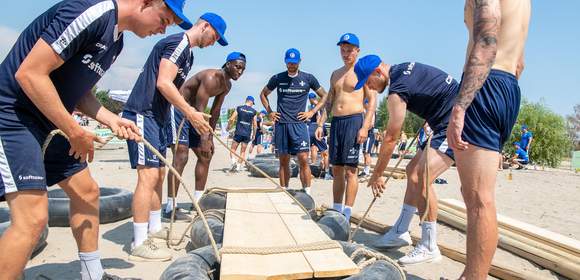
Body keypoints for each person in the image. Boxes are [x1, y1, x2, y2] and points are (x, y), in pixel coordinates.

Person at [0, 0, 191, 278]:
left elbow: (78, 92)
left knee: (87, 192)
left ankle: (92, 275)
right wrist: (75, 131)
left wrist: (111, 120)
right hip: (14, 114)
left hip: (51, 118)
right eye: (164, 19)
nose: (162, 31)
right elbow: (29, 73)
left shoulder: (117, 43)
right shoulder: (92, 13)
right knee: (33, 219)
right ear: (147, 3)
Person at [122, 12, 229, 262]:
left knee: (159, 173)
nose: (214, 42)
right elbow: (163, 83)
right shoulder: (178, 43)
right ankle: (139, 241)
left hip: (158, 116)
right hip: (143, 111)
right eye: (215, 36)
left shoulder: (188, 53)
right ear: (205, 26)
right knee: (147, 176)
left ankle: (156, 226)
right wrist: (190, 112)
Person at [446, 0, 531, 278]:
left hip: (484, 83)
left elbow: (486, 38)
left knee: (479, 198)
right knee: (477, 195)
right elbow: (519, 63)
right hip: (507, 85)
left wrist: (460, 106)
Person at [354, 55, 460, 265]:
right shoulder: (402, 70)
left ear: (378, 72)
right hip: (442, 120)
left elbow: (391, 137)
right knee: (412, 171)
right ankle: (400, 231)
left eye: (368, 81)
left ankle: (429, 245)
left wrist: (377, 175)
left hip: (457, 122)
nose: (370, 87)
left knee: (422, 175)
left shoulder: (397, 90)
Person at [164, 52, 246, 220]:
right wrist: (203, 138)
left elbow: (214, 112)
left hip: (197, 116)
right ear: (228, 64)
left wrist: (210, 138)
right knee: (181, 156)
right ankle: (170, 207)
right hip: (180, 111)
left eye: (243, 69)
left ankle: (198, 202)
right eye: (238, 66)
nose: (240, 71)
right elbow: (201, 108)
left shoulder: (227, 86)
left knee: (206, 155)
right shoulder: (210, 77)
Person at [320, 33, 376, 221]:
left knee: (351, 169)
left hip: (354, 121)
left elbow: (372, 101)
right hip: (337, 122)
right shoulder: (335, 74)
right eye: (343, 50)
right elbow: (330, 101)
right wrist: (321, 123)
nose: (346, 54)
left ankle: (348, 211)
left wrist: (365, 126)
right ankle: (337, 208)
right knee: (336, 168)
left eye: (349, 50)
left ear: (357, 51)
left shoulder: (363, 72)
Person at [260, 48, 328, 195]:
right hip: (282, 124)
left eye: (294, 63)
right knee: (283, 160)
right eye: (289, 63)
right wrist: (270, 112)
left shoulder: (308, 78)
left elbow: (324, 96)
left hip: (299, 125)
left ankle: (307, 192)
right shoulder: (277, 78)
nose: (291, 65)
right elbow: (263, 94)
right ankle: (284, 191)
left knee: (303, 159)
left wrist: (312, 112)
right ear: (285, 62)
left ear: (299, 62)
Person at [227, 96, 257, 171]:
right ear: (250, 101)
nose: (252, 104)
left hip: (238, 132)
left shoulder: (239, 108)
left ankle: (233, 162)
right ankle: (238, 167)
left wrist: (228, 127)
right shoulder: (254, 111)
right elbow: (255, 124)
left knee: (233, 149)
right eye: (253, 103)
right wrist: (254, 135)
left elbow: (231, 119)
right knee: (243, 151)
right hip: (247, 133)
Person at [307, 93, 329, 168]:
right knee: (325, 152)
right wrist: (320, 127)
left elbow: (316, 117)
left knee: (313, 148)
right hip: (317, 129)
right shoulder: (318, 105)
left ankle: (313, 166)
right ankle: (327, 172)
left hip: (311, 129)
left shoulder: (312, 106)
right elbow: (319, 118)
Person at [359, 99, 377, 178]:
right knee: (364, 153)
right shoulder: (365, 112)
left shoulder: (371, 112)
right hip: (366, 134)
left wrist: (363, 129)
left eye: (364, 104)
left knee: (367, 153)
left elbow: (371, 124)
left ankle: (367, 171)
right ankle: (365, 170)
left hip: (369, 134)